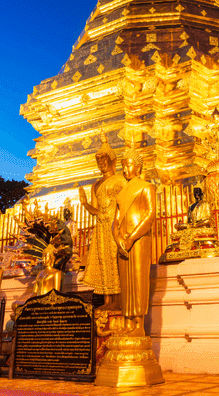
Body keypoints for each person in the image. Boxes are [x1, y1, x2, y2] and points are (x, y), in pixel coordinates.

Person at [112, 151, 156, 335]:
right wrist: (119, 238)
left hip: (138, 239)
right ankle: (128, 321)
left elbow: (150, 215)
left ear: (138, 166)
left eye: (129, 165)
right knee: (125, 282)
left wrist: (131, 238)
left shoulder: (146, 187)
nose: (125, 169)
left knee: (138, 280)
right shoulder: (121, 193)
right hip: (123, 242)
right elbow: (115, 221)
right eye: (123, 166)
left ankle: (139, 323)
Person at [79, 134, 126, 309]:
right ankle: (108, 300)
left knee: (116, 260)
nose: (101, 163)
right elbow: (95, 209)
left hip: (116, 223)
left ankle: (120, 299)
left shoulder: (121, 180)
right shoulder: (96, 185)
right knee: (104, 261)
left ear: (113, 160)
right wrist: (84, 204)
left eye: (104, 159)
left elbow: (125, 202)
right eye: (98, 160)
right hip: (101, 226)